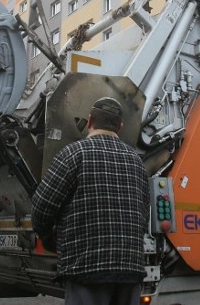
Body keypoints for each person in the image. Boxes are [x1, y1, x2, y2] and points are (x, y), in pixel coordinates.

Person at [31, 97, 150, 305]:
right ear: (120, 127)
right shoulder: (137, 162)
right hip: (130, 270)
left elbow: (42, 208)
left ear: (89, 121)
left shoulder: (73, 154)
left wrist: (52, 240)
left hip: (86, 268)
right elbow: (144, 213)